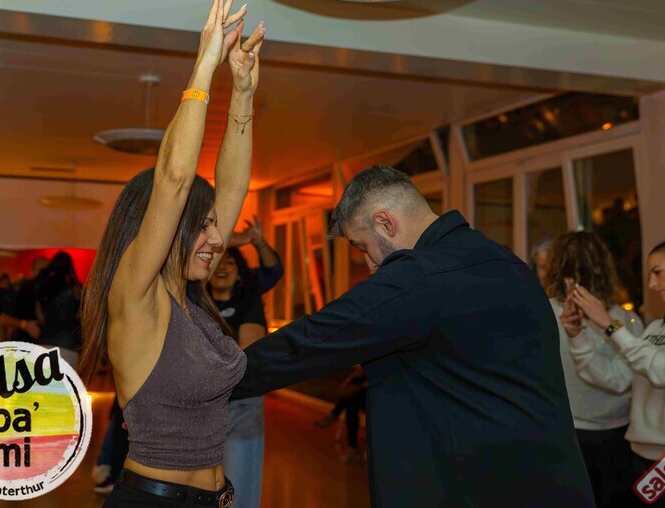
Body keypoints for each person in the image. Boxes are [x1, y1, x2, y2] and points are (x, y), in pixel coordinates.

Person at [231, 165, 593, 507]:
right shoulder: (504, 261)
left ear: (385, 222)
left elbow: (313, 339)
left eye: (362, 247)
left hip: (476, 489)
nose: (370, 264)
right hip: (549, 481)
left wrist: (216, 379)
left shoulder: (420, 275)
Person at [79, 0, 264, 508]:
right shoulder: (136, 298)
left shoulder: (190, 301)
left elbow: (232, 188)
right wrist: (205, 65)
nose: (217, 240)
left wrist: (243, 91)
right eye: (201, 228)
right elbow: (175, 180)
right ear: (163, 228)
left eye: (213, 227)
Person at [564, 236, 665, 508]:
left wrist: (609, 324)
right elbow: (618, 378)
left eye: (658, 272)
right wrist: (577, 337)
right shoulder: (657, 327)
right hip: (640, 451)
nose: (651, 284)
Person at [547, 231, 644, 507]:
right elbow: (627, 377)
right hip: (611, 432)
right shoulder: (624, 319)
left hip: (568, 429)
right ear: (605, 267)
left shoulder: (542, 312)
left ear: (556, 267)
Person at [208, 247, 268, 508]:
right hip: (197, 405)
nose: (222, 267)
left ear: (240, 272)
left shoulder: (249, 300)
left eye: (230, 263)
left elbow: (247, 353)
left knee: (238, 485)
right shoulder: (193, 301)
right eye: (217, 261)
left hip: (240, 401)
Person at [36, 252, 82, 370]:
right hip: (68, 344)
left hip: (44, 343)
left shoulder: (44, 288)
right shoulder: (76, 289)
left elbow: (40, 317)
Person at [314, 364, 368, 464]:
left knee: (351, 401)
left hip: (377, 399)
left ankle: (334, 415)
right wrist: (348, 382)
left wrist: (356, 388)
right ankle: (352, 448)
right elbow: (360, 370)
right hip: (360, 396)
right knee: (351, 403)